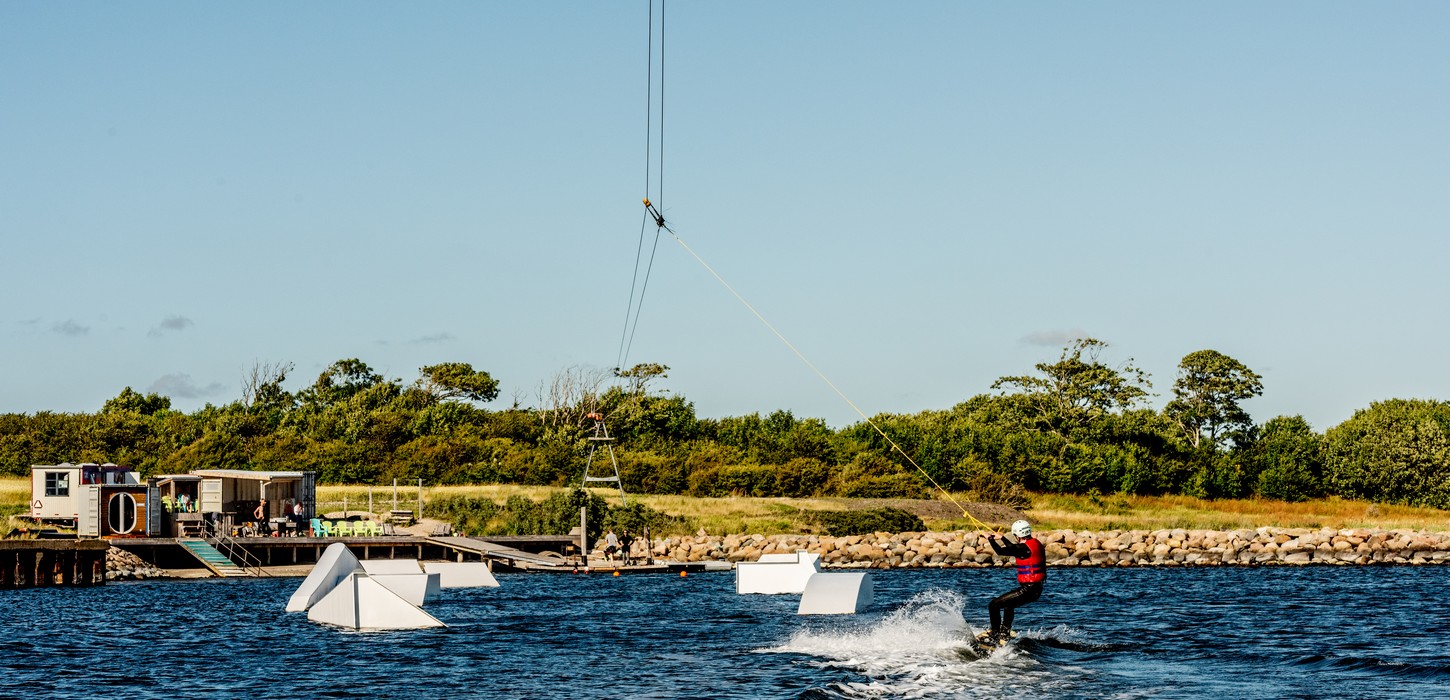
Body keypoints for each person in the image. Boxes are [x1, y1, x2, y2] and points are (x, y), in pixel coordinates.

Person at [979, 519, 1045, 647]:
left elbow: (1001, 551)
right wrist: (1002, 538)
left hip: (1029, 589)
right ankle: (1005, 631)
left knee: (994, 605)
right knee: (1009, 604)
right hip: (1036, 589)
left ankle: (995, 634)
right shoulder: (1035, 543)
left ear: (1016, 535)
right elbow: (1014, 548)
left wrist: (990, 539)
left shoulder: (1023, 548)